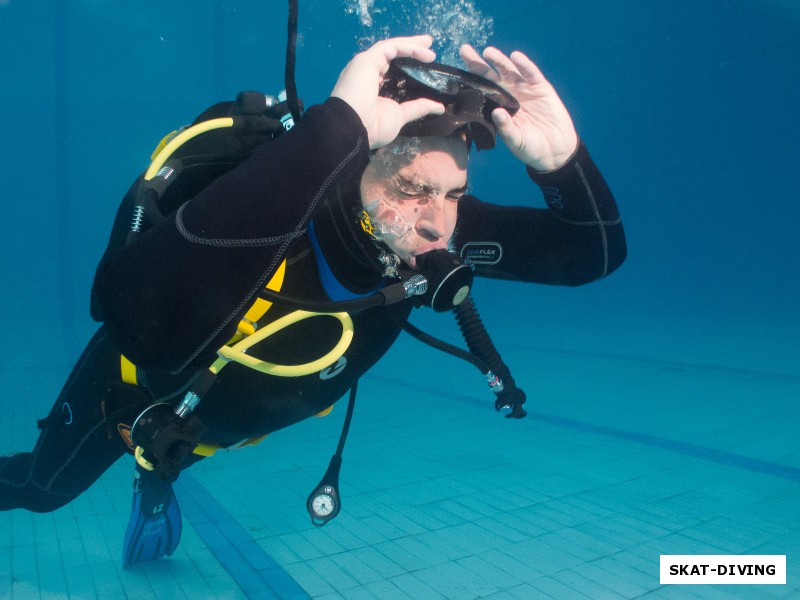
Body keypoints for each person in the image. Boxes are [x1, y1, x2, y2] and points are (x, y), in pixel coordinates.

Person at [0, 35, 625, 565]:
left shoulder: (424, 238)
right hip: (136, 395)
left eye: (454, 192)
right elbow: (136, 325)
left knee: (174, 452)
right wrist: (335, 131)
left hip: (212, 423)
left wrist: (561, 162)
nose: (438, 227)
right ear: (354, 168)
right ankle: (154, 473)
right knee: (42, 488)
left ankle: (161, 473)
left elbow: (590, 255)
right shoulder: (269, 214)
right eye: (411, 188)